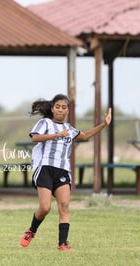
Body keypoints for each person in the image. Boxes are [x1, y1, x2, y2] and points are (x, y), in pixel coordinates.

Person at [20, 94, 112, 251]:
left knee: (64, 205)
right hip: (45, 168)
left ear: (68, 110)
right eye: (57, 107)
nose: (60, 110)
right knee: (45, 208)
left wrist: (104, 124)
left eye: (64, 107)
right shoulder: (45, 122)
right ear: (52, 108)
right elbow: (35, 138)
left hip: (63, 170)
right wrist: (56, 135)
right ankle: (31, 230)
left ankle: (62, 244)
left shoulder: (70, 129)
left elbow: (85, 135)